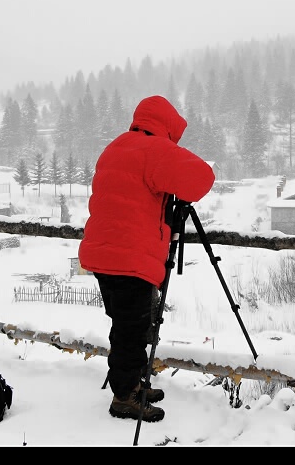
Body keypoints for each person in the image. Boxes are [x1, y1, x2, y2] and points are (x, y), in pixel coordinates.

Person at [78, 95, 215, 422]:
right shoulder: (155, 150)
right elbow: (201, 178)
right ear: (167, 125)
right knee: (133, 330)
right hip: (129, 259)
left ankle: (132, 383)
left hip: (103, 253)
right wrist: (173, 154)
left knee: (126, 325)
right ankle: (124, 397)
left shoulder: (116, 146)